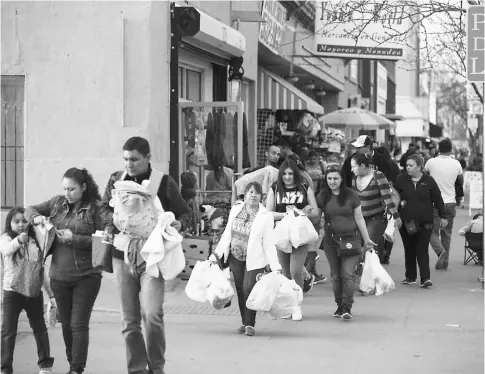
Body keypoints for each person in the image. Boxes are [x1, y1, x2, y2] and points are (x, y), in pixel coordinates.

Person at [99, 137, 189, 374]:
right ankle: (137, 369)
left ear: (148, 158)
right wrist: (113, 222)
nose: (129, 164)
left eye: (135, 159)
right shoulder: (115, 180)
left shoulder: (164, 182)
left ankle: (156, 367)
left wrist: (178, 223)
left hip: (152, 256)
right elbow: (102, 209)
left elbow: (185, 213)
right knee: (129, 322)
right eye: (126, 159)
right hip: (121, 255)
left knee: (152, 315)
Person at [25, 168, 103, 374]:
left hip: (87, 275)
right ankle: (72, 365)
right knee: (67, 325)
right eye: (65, 189)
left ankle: (77, 369)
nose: (68, 193)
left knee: (78, 324)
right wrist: (36, 219)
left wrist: (74, 239)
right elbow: (29, 209)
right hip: (59, 276)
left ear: (84, 187)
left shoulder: (96, 208)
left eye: (72, 189)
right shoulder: (56, 203)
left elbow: (102, 246)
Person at [210, 182, 281, 336]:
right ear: (245, 195)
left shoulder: (265, 216)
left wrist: (275, 265)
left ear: (261, 197)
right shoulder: (236, 209)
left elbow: (269, 243)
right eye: (250, 192)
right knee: (241, 290)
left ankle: (250, 324)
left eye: (256, 193)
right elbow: (227, 233)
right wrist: (216, 254)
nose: (253, 195)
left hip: (255, 259)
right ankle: (244, 322)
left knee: (249, 288)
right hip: (235, 256)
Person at [316, 164, 376, 320]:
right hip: (331, 241)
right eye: (329, 178)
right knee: (335, 276)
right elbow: (317, 217)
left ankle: (347, 307)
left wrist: (367, 239)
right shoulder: (322, 196)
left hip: (351, 240)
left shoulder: (351, 195)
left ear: (342, 179)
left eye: (335, 178)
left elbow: (359, 217)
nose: (332, 181)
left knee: (348, 274)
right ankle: (339, 306)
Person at [1, 207, 55, 374]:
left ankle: (45, 365)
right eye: (16, 221)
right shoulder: (5, 238)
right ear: (9, 223)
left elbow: (39, 268)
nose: (20, 224)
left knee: (40, 329)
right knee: (8, 332)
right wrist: (18, 240)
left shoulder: (34, 241)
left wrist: (51, 294)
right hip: (12, 290)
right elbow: (6, 250)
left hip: (33, 291)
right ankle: (5, 368)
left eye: (24, 221)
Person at [266, 158, 319, 321]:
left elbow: (315, 212)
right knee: (286, 273)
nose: (288, 177)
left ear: (295, 173)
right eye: (284, 174)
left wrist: (303, 212)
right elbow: (268, 213)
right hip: (281, 234)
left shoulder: (304, 186)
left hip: (300, 234)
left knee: (296, 270)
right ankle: (290, 306)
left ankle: (297, 306)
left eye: (290, 173)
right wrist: (287, 214)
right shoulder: (274, 188)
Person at [394, 155, 447, 288]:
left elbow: (438, 199)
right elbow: (393, 197)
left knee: (422, 249)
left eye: (411, 165)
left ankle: (425, 278)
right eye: (406, 165)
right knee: (409, 248)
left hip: (425, 221)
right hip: (406, 221)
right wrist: (396, 214)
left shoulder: (429, 181)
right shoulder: (401, 180)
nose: (407, 168)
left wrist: (443, 216)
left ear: (419, 167)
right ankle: (410, 276)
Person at [350, 153, 402, 263]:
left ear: (362, 165)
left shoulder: (378, 175)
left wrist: (396, 215)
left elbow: (387, 197)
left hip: (376, 219)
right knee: (356, 249)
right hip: (359, 219)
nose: (351, 169)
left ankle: (364, 274)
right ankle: (363, 273)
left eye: (353, 166)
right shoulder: (354, 178)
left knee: (367, 247)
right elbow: (353, 199)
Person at [425, 139, 463, 270]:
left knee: (432, 231)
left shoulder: (431, 162)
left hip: (434, 203)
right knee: (447, 234)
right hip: (450, 203)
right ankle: (445, 261)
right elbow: (460, 181)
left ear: (438, 149)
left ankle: (440, 252)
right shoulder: (456, 164)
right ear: (451, 149)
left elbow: (425, 176)